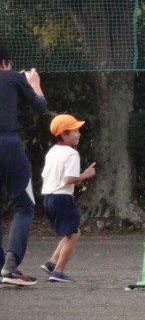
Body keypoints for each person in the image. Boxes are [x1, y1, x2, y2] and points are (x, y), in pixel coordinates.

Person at [0, 44, 48, 286]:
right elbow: (40, 106)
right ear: (5, 62)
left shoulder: (10, 78)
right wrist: (33, 83)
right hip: (7, 144)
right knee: (24, 206)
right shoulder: (12, 78)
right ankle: (10, 267)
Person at [40, 114, 97, 283]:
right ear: (64, 134)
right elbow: (69, 179)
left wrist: (78, 178)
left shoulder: (52, 152)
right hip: (62, 198)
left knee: (69, 232)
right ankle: (58, 272)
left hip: (48, 197)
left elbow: (51, 176)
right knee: (74, 234)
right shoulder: (72, 154)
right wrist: (85, 175)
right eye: (75, 131)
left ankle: (51, 263)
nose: (79, 134)